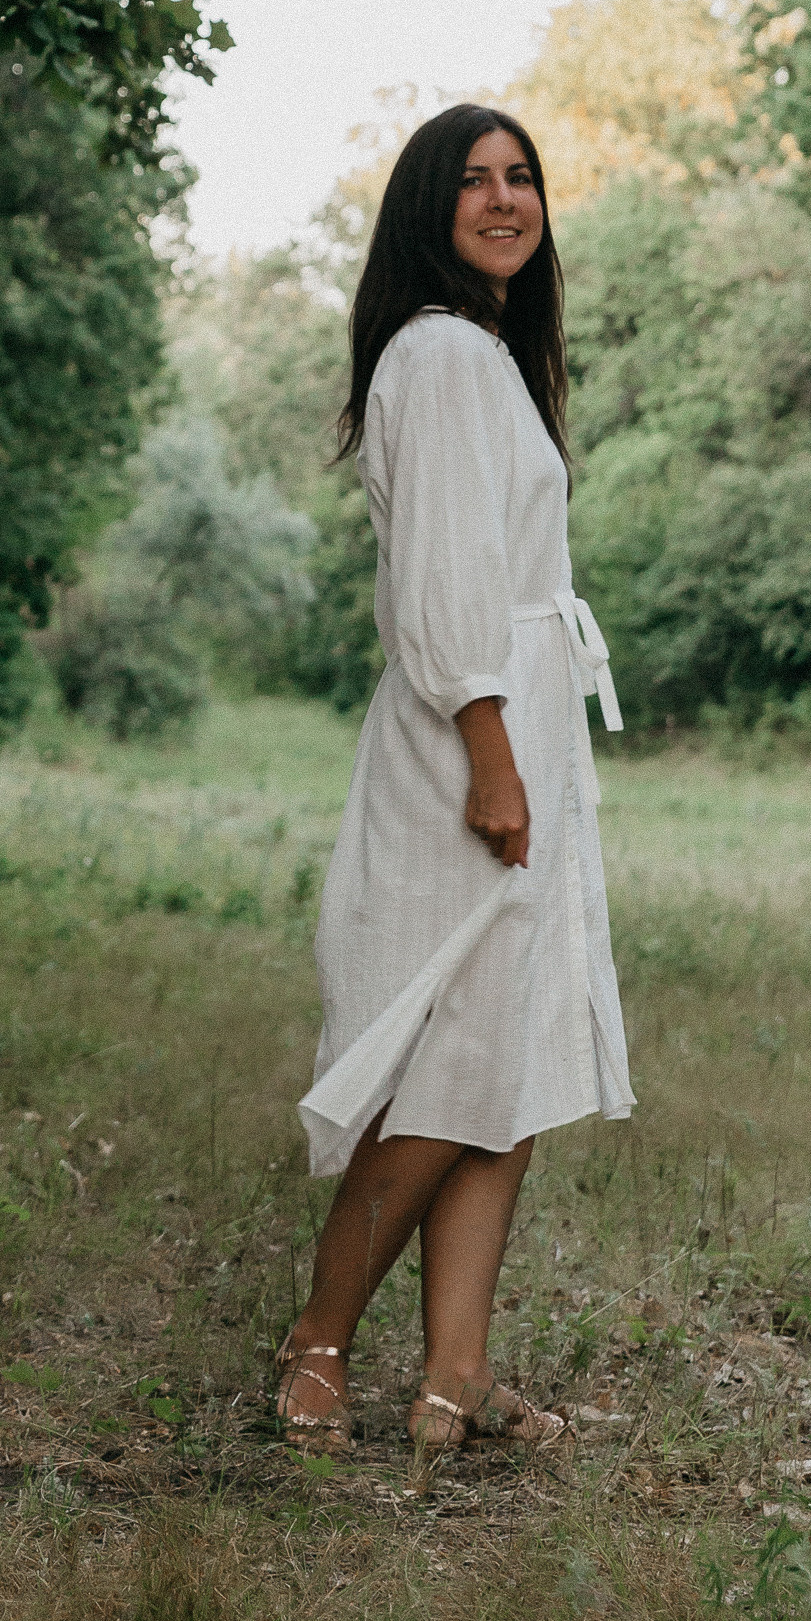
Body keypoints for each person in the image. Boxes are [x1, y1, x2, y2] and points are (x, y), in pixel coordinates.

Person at [274, 102, 633, 1479]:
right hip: (466, 726)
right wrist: (489, 746)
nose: (504, 198)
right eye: (473, 181)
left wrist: (524, 739)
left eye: (521, 175)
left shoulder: (484, 354)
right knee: (441, 1069)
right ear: (428, 210)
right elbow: (438, 581)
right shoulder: (433, 354)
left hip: (523, 715)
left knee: (504, 1062)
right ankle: (315, 1339)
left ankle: (456, 1375)